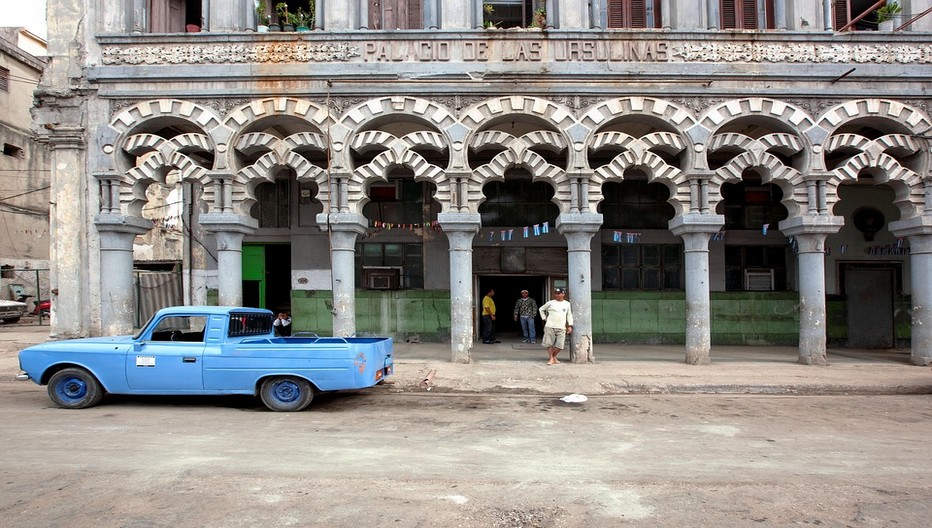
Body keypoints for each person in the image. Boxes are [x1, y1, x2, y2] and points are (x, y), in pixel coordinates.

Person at [539, 288, 573, 365]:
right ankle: (551, 358)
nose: (557, 295)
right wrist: (544, 318)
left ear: (563, 294)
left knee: (560, 345)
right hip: (550, 326)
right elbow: (541, 309)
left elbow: (569, 315)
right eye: (556, 293)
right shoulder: (550, 303)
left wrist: (570, 325)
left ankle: (554, 357)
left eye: (559, 293)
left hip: (561, 326)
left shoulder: (567, 304)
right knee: (549, 343)